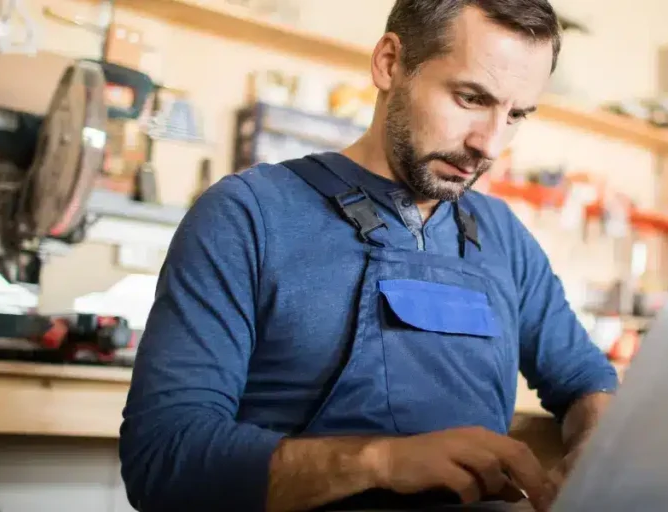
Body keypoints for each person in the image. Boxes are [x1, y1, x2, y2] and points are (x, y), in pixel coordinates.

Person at [118, 1, 620, 511]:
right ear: (388, 63)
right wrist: (381, 463)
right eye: (470, 98)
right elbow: (162, 458)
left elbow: (585, 381)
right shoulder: (247, 215)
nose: (489, 144)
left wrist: (596, 450)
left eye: (515, 115)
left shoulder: (503, 236)